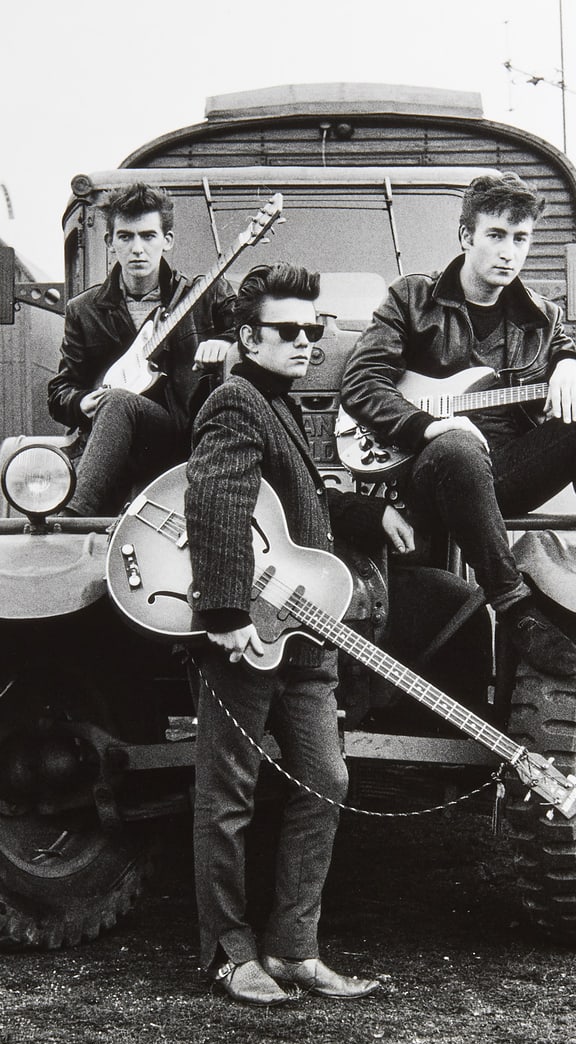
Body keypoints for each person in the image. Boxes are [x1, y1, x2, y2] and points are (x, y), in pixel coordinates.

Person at [340, 171, 576, 677]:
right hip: (422, 473)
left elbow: (569, 355)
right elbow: (361, 383)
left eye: (521, 238)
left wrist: (574, 363)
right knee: (459, 448)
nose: (508, 251)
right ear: (467, 236)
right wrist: (427, 427)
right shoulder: (412, 299)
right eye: (495, 235)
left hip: (505, 472)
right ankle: (515, 608)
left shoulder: (544, 319)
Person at [184, 262, 413, 1006]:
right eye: (286, 331)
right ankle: (228, 953)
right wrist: (223, 618)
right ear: (246, 337)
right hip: (247, 632)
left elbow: (293, 506)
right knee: (228, 796)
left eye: (312, 331)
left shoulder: (278, 404)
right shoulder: (235, 401)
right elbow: (216, 498)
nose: (305, 342)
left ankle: (293, 950)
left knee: (327, 779)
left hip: (302, 633)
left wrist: (362, 515)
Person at [47, 183, 236, 516]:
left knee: (118, 400)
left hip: (188, 437)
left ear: (168, 241)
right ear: (110, 243)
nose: (138, 249)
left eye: (148, 236)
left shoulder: (208, 294)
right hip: (116, 448)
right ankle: (77, 525)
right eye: (126, 237)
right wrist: (81, 402)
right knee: (116, 401)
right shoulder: (83, 310)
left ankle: (72, 516)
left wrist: (227, 343)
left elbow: (252, 330)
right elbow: (60, 392)